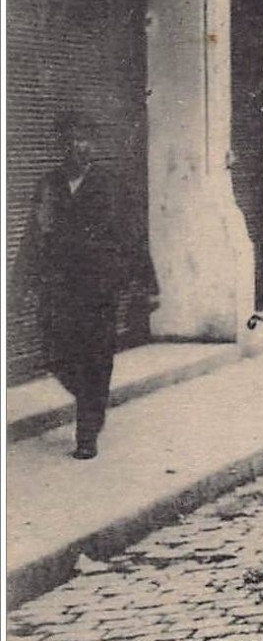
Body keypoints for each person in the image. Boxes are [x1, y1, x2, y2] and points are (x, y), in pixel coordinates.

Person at [16, 110, 160, 459]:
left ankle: (87, 432)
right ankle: (91, 401)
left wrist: (148, 284)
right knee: (54, 354)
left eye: (84, 140)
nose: (78, 147)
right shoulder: (48, 185)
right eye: (70, 140)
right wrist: (19, 284)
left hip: (99, 287)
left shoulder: (111, 185)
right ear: (60, 144)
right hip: (59, 287)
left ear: (93, 144)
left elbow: (133, 237)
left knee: (96, 357)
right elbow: (34, 235)